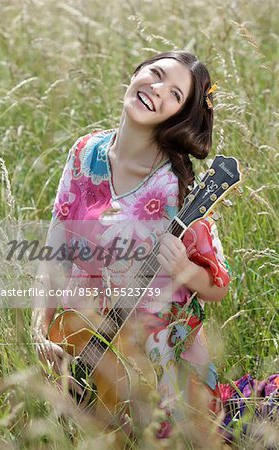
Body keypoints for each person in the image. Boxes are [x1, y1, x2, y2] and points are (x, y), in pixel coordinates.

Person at [31, 50, 278, 441]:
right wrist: (40, 329)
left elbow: (218, 286)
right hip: (88, 340)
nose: (158, 90)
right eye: (156, 74)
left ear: (177, 116)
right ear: (136, 73)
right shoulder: (84, 152)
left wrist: (182, 268)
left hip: (155, 361)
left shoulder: (176, 188)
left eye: (175, 94)